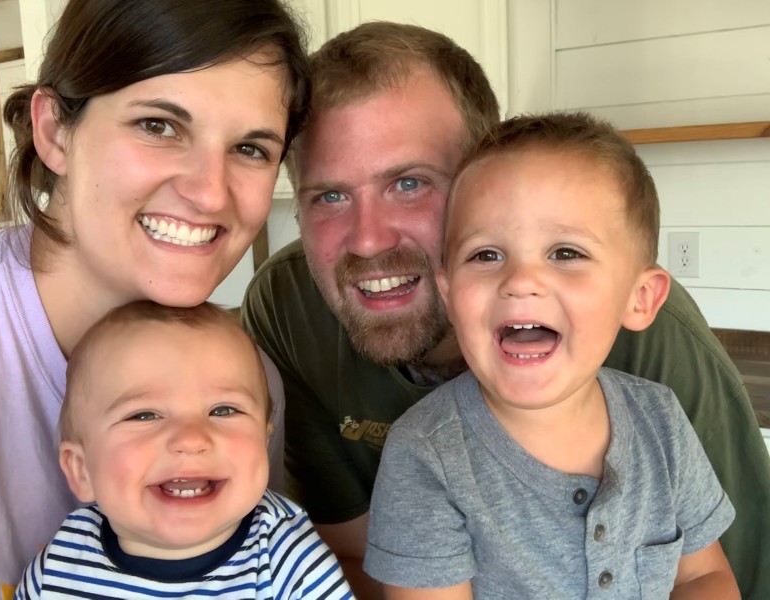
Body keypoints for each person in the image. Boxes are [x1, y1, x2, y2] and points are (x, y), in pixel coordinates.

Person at [240, 21, 770, 600]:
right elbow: (345, 554)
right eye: (330, 196)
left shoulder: (658, 366)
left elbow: (720, 572)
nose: (367, 241)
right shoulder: (291, 310)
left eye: (410, 183)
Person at [0, 0, 310, 597]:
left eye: (251, 148)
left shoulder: (244, 387)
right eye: (158, 125)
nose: (209, 193)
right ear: (53, 132)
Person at [362, 112, 738, 599]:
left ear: (640, 298)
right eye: (486, 255)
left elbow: (703, 576)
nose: (520, 280)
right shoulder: (425, 455)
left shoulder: (661, 419)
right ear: (450, 294)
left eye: (565, 253)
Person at [14, 301, 353, 599]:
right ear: (82, 469)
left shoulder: (286, 560)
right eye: (144, 414)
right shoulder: (59, 565)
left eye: (223, 410)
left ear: (264, 441)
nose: (191, 439)